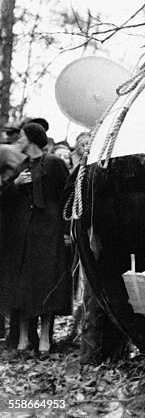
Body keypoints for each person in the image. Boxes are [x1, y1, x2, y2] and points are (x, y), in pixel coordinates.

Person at [0, 123, 70, 353]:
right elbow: (4, 198)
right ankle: (23, 338)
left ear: (31, 139)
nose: (19, 140)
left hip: (48, 231)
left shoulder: (54, 163)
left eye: (22, 136)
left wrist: (67, 228)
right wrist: (16, 185)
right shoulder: (19, 166)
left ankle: (45, 338)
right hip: (22, 233)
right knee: (24, 284)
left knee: (46, 282)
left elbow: (67, 195)